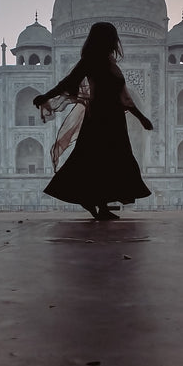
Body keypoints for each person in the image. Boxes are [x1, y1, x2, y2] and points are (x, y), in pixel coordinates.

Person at [33, 22, 153, 220]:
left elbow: (124, 98)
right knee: (94, 160)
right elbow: (69, 82)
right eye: (113, 37)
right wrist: (46, 96)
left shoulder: (109, 62)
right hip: (99, 119)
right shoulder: (92, 60)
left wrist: (141, 118)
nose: (116, 41)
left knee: (105, 162)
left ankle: (101, 206)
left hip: (112, 119)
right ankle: (95, 202)